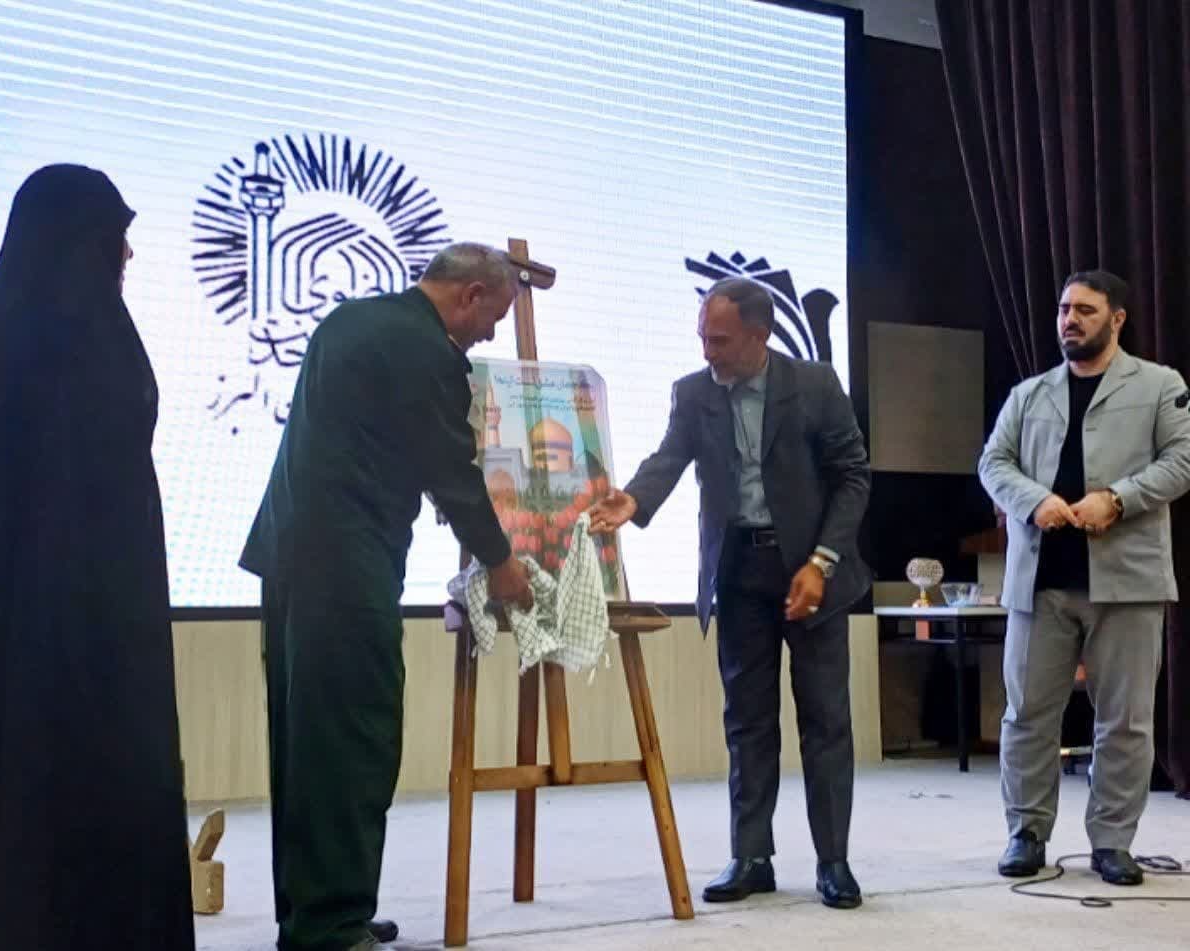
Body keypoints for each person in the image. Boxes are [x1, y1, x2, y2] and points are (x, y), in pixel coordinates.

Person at [0, 165, 194, 950]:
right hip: (87, 642)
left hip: (4, 639)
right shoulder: (81, 340)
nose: (127, 254)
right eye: (114, 236)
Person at [240, 242, 534, 951]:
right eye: (491, 319)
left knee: (306, 742)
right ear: (468, 295)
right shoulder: (424, 349)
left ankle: (312, 912)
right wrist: (501, 561)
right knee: (355, 737)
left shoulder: (350, 320)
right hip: (346, 565)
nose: (488, 336)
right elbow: (450, 469)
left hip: (291, 554)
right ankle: (332, 924)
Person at [588, 278, 871, 910]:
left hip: (812, 570)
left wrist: (822, 562)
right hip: (739, 570)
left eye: (719, 340)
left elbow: (853, 477)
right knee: (746, 719)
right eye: (702, 338)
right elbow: (670, 457)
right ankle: (751, 856)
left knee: (825, 718)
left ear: (758, 335)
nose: (707, 351)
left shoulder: (814, 385)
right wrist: (635, 499)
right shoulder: (694, 392)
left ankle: (833, 861)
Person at [978, 270, 1190, 885]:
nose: (1070, 320)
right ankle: (1026, 832)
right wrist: (1033, 500)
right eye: (1064, 309)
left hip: (1127, 583)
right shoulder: (1029, 394)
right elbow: (993, 462)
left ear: (1117, 319)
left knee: (1124, 721)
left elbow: (1181, 462)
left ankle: (1113, 841)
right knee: (1026, 715)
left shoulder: (1160, 385)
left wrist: (1117, 500)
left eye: (1085, 310)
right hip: (1039, 584)